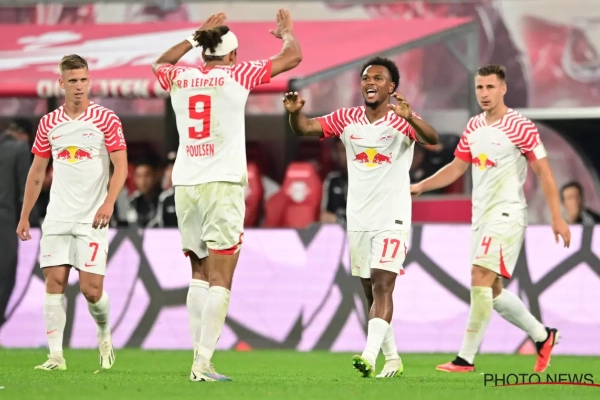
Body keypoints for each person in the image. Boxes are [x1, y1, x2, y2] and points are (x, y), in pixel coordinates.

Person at [151, 10, 302, 382]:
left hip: (185, 183)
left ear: (203, 52)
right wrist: (286, 33)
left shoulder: (180, 77)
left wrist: (195, 35)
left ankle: (198, 359)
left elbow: (159, 62)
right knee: (222, 276)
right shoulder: (239, 74)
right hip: (222, 183)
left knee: (199, 272)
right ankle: (202, 364)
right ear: (232, 55)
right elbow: (293, 57)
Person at [283, 57, 439, 378]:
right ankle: (392, 358)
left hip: (392, 217)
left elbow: (432, 138)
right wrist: (295, 113)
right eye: (366, 78)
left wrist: (412, 118)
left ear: (391, 86)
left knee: (383, 284)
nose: (370, 82)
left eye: (378, 78)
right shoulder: (347, 118)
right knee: (370, 291)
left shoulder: (401, 119)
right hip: (359, 219)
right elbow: (306, 128)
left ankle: (368, 356)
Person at [410, 64, 571, 373]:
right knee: (492, 292)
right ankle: (543, 336)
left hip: (507, 213)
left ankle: (465, 358)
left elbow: (544, 172)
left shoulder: (521, 126)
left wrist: (557, 217)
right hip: (481, 218)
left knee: (479, 276)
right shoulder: (473, 126)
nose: (484, 93)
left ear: (503, 89)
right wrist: (421, 186)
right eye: (480, 88)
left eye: (490, 87)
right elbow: (456, 168)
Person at [16, 54, 128, 372]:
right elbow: (37, 172)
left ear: (89, 80)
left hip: (92, 218)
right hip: (57, 217)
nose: (79, 86)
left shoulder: (106, 119)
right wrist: (25, 215)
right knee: (54, 283)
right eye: (73, 81)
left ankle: (104, 333)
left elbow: (121, 166)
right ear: (61, 83)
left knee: (92, 291)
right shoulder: (49, 123)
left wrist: (109, 202)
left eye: (83, 80)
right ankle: (56, 357)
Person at [0, 119, 33, 327]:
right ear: (25, 135)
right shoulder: (20, 149)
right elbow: (25, 189)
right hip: (5, 220)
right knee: (5, 276)